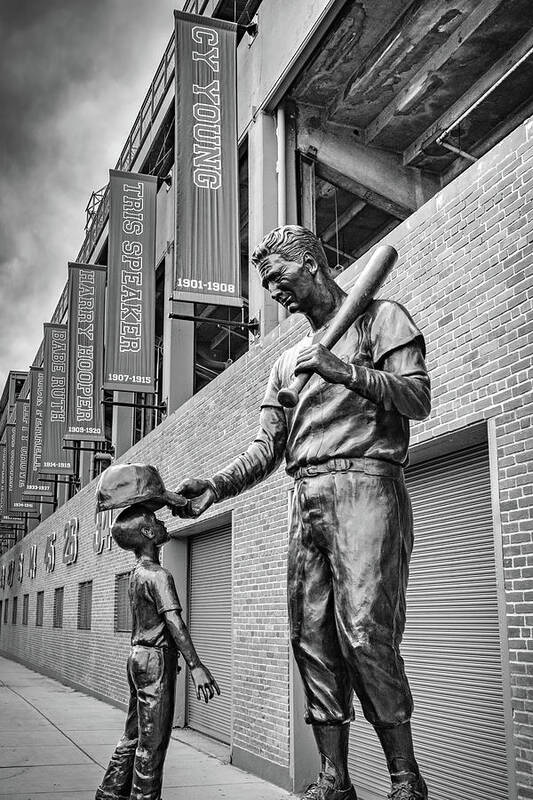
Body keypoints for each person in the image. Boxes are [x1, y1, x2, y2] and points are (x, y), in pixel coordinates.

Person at [175, 225, 431, 800]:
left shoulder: (381, 316)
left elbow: (418, 397)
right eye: (265, 282)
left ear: (311, 264)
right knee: (310, 637)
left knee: (366, 632)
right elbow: (266, 449)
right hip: (304, 497)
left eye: (278, 275)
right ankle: (335, 779)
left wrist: (343, 370)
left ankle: (404, 778)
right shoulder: (287, 362)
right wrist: (214, 487)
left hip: (366, 485)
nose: (272, 290)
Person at [95, 504, 219, 800]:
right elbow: (174, 622)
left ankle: (110, 793)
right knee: (152, 745)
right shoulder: (158, 575)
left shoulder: (136, 574)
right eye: (155, 520)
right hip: (154, 662)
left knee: (133, 734)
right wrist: (196, 665)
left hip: (138, 657)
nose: (162, 522)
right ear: (149, 533)